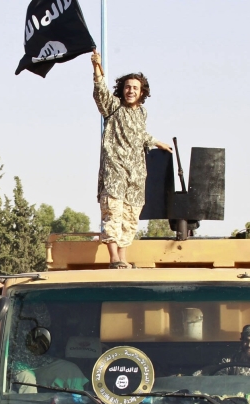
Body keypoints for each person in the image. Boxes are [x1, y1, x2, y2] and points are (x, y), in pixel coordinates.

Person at [91, 50, 173, 269]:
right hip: (115, 171)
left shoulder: (142, 113)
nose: (130, 91)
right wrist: (97, 68)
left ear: (142, 91)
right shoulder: (114, 107)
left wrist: (157, 142)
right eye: (127, 87)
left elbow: (140, 134)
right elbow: (101, 92)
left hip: (136, 173)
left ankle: (123, 258)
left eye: (135, 88)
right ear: (122, 89)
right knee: (113, 214)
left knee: (130, 217)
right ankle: (114, 259)